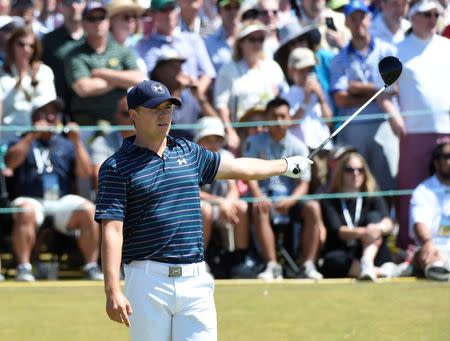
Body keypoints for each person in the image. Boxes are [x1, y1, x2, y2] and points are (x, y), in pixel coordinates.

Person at [95, 80, 312, 340]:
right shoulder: (116, 166)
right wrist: (112, 289)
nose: (164, 114)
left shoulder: (189, 151)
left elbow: (238, 168)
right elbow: (112, 230)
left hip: (195, 278)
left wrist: (285, 164)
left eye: (168, 107)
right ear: (134, 115)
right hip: (146, 281)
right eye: (155, 108)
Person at [4, 93, 104, 282]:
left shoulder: (66, 144)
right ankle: (24, 267)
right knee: (25, 210)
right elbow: (11, 162)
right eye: (45, 114)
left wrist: (77, 142)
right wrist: (32, 134)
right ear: (34, 117)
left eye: (55, 115)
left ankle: (91, 266)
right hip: (30, 198)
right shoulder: (20, 140)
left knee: (89, 210)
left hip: (60, 200)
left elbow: (84, 174)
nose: (51, 119)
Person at [378, 0, 450, 248]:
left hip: (447, 130)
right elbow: (385, 94)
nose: (432, 19)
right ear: (414, 16)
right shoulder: (397, 49)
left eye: (436, 14)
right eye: (426, 14)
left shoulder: (447, 47)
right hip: (413, 133)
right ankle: (409, 247)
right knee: (410, 189)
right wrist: (393, 115)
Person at [244, 97, 324, 280]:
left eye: (282, 116)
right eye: (274, 116)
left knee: (313, 207)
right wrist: (257, 195)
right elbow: (249, 175)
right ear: (267, 118)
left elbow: (304, 183)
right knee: (260, 205)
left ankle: (308, 265)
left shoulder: (299, 146)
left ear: (290, 118)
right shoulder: (254, 142)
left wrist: (290, 200)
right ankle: (272, 265)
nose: (279, 121)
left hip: (289, 199)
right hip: (264, 196)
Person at [329, 0, 399, 192]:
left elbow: (394, 89)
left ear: (369, 19)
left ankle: (388, 222)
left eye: (362, 16)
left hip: (383, 124)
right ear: (347, 22)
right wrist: (378, 93)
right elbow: (340, 98)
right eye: (353, 18)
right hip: (353, 127)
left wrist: (357, 87)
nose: (359, 21)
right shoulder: (339, 58)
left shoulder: (387, 50)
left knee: (388, 183)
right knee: (355, 185)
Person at [65, 1, 145, 126]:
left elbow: (139, 78)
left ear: (108, 22)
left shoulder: (122, 50)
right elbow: (84, 88)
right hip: (89, 124)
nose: (97, 22)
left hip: (122, 123)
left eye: (101, 18)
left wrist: (102, 73)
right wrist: (121, 81)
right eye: (92, 18)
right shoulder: (75, 54)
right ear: (84, 23)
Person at [320, 151, 397, 280]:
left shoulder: (373, 196)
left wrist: (378, 229)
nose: (355, 174)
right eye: (349, 170)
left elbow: (388, 223)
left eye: (360, 170)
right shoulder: (330, 199)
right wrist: (365, 232)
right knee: (332, 261)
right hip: (344, 252)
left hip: (372, 250)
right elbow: (340, 231)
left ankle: (367, 264)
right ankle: (382, 272)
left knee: (373, 217)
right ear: (341, 173)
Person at [214, 19, 286, 151]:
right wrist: (230, 132)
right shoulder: (228, 69)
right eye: (252, 39)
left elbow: (283, 98)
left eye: (261, 39)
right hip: (241, 134)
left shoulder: (273, 67)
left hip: (269, 132)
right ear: (241, 42)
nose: (257, 43)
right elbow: (221, 105)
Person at [195, 116, 253, 278]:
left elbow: (233, 188)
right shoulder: (192, 158)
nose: (213, 144)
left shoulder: (226, 156)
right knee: (204, 209)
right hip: (200, 208)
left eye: (217, 140)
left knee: (241, 206)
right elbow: (193, 191)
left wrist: (227, 202)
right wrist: (220, 201)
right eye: (208, 139)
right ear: (199, 140)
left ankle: (239, 260)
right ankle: (201, 259)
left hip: (223, 207)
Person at [135, 0, 216, 98]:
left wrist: (194, 96)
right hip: (159, 106)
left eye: (172, 9)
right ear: (152, 14)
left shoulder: (193, 39)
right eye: (164, 10)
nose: (169, 15)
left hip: (192, 108)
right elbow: (143, 79)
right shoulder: (142, 46)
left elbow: (208, 73)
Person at [285, 47, 333, 193]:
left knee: (323, 188)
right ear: (291, 71)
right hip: (302, 150)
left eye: (310, 69)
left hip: (323, 148)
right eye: (302, 70)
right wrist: (306, 100)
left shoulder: (319, 92)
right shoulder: (288, 94)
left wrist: (321, 99)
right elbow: (291, 122)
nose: (307, 74)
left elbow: (329, 120)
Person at [0, 26, 56, 146]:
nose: (26, 49)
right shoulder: (2, 74)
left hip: (38, 139)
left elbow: (50, 109)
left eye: (31, 46)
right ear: (11, 46)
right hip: (8, 139)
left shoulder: (44, 72)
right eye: (21, 44)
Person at [150, 46, 218, 141]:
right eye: (173, 67)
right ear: (159, 71)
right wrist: (177, 92)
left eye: (180, 67)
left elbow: (217, 124)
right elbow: (161, 121)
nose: (179, 71)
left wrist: (199, 96)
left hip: (189, 150)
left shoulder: (190, 98)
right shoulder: (151, 97)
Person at [409, 138, 450, 281]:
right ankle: (438, 271)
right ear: (436, 162)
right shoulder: (423, 191)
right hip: (435, 249)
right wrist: (427, 243)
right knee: (427, 255)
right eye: (447, 156)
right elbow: (419, 223)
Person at [41, 0, 86, 117]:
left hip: (91, 112)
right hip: (59, 113)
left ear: (85, 4)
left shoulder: (96, 37)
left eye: (79, 1)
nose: (74, 6)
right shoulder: (49, 41)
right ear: (60, 6)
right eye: (68, 2)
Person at [90, 96, 135, 188]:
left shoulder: (150, 141)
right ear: (117, 115)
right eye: (127, 114)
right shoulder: (101, 143)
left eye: (135, 114)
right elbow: (100, 179)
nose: (132, 118)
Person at [203, 0, 242, 74]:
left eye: (236, 7)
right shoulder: (209, 43)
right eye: (228, 8)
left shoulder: (252, 38)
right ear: (219, 11)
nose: (233, 12)